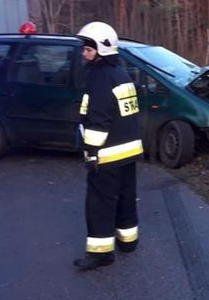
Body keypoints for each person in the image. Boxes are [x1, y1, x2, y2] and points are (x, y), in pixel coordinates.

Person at [72, 21, 144, 271]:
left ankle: (101, 253)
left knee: (100, 203)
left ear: (101, 49)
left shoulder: (100, 77)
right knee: (125, 198)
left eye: (88, 49)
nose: (84, 53)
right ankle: (128, 242)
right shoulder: (121, 74)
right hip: (129, 152)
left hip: (107, 154)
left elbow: (99, 120)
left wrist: (91, 153)